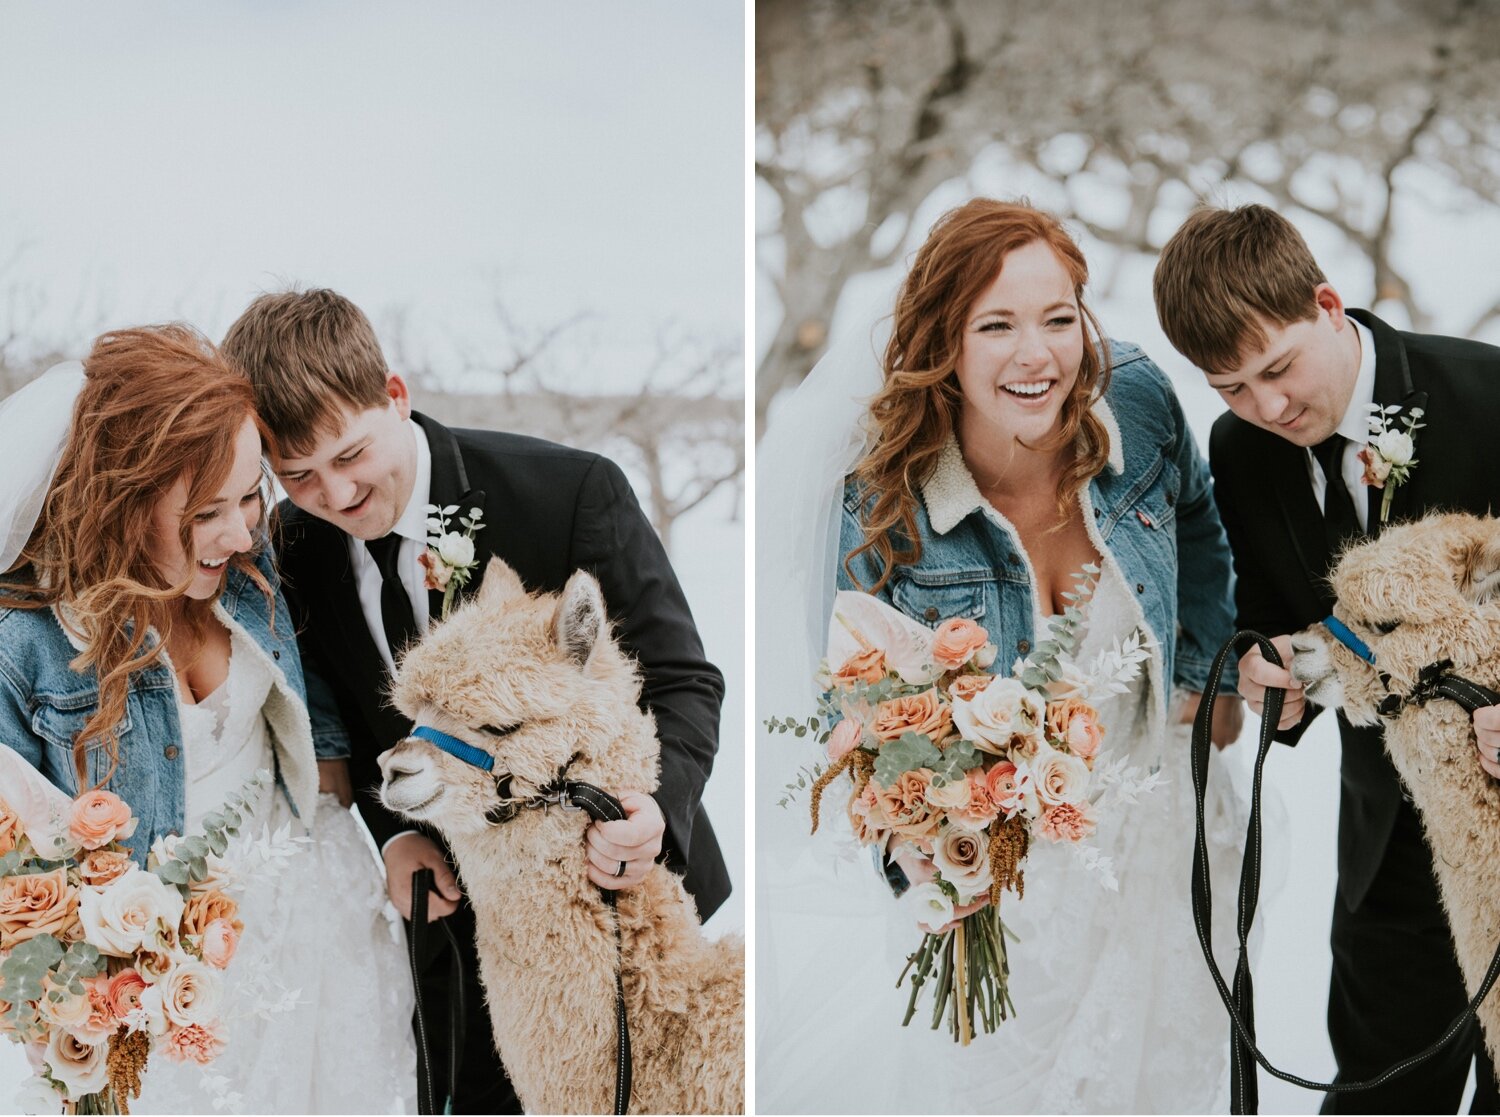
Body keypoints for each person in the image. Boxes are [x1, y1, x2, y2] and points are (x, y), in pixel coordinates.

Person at [756, 198, 1250, 1113]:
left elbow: (1197, 520)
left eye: (1060, 319)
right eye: (999, 326)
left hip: (1157, 824)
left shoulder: (1136, 398)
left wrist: (1202, 676)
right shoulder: (882, 498)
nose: (1040, 355)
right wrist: (924, 846)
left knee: (1159, 1076)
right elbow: (853, 708)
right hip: (1002, 876)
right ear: (945, 342)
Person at [220, 289, 730, 1114]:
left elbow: (683, 679)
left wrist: (653, 811)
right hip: (455, 924)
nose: (336, 494)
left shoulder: (570, 494)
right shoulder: (293, 550)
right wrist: (394, 838)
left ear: (395, 393)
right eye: (298, 476)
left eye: (351, 455)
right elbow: (353, 721)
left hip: (614, 904)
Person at [0, 325, 415, 1113]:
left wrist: (344, 780)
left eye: (250, 495)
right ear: (120, 500)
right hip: (166, 994)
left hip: (314, 935)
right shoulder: (24, 642)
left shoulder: (249, 576)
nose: (242, 531)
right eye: (206, 512)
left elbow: (312, 673)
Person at [1153, 201, 1500, 1114]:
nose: (1267, 408)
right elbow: (1279, 618)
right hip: (1390, 841)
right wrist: (1267, 670)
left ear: (1328, 303)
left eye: (1277, 368)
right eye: (1230, 388)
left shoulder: (1487, 390)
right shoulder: (1240, 450)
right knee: (1380, 1095)